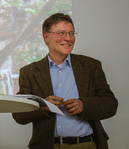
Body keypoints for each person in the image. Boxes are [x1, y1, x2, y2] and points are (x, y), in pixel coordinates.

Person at [12, 13, 118, 149]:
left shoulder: (91, 66)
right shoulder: (29, 72)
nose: (68, 38)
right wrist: (43, 106)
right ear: (46, 37)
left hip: (86, 144)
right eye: (61, 33)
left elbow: (111, 104)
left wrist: (84, 105)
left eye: (71, 33)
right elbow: (19, 115)